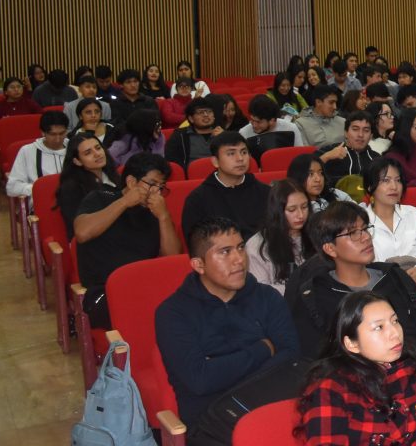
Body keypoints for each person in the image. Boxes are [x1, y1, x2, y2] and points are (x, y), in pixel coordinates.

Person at [155, 218, 301, 444]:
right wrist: (263, 349)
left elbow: (291, 357)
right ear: (199, 265)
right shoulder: (173, 313)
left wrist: (221, 367)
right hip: (211, 424)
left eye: (240, 248)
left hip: (272, 410)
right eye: (225, 252)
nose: (239, 259)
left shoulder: (267, 297)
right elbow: (200, 379)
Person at [290, 201, 416, 359]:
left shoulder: (395, 277)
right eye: (353, 233)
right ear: (330, 248)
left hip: (415, 369)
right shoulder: (315, 298)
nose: (365, 237)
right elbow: (315, 361)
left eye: (365, 229)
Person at [299, 291, 416, 446]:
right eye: (379, 327)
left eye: (395, 321)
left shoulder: (415, 372)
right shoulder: (331, 389)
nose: (395, 333)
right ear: (352, 344)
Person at [73, 152, 182, 328]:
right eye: (152, 184)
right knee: (148, 313)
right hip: (104, 291)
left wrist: (163, 216)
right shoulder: (100, 198)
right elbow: (82, 233)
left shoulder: (154, 212)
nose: (157, 192)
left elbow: (172, 257)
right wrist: (124, 202)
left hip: (144, 286)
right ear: (131, 182)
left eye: (161, 187)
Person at [361, 159, 416, 283]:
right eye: (386, 180)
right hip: (383, 285)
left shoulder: (413, 214)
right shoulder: (361, 223)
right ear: (370, 186)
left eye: (398, 180)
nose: (394, 187)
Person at [181, 131, 271, 241]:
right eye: (231, 154)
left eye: (244, 152)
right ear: (215, 161)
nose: (240, 158)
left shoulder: (266, 192)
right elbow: (197, 243)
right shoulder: (198, 199)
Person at [245, 180, 313, 296]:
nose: (300, 215)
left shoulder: (316, 233)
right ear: (277, 211)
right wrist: (301, 289)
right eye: (292, 210)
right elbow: (260, 290)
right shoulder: (257, 245)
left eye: (304, 207)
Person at [56, 133, 122, 237]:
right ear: (77, 161)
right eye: (88, 153)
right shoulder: (71, 188)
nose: (97, 154)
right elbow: (79, 229)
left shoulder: (115, 177)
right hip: (96, 239)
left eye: (98, 148)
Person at [6, 109, 69, 199]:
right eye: (53, 134)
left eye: (62, 133)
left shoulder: (76, 147)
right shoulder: (27, 151)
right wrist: (40, 188)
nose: (58, 139)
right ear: (43, 132)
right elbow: (12, 187)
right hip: (42, 200)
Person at [317, 112, 383, 182]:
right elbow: (309, 169)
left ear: (371, 136)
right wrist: (327, 157)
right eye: (355, 129)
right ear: (346, 133)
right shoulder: (330, 151)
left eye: (366, 130)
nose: (360, 135)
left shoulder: (377, 159)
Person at [241, 95, 307, 161]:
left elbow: (300, 156)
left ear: (272, 121)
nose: (254, 125)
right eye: (252, 120)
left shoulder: (290, 128)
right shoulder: (244, 133)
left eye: (259, 122)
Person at [166, 96, 224, 166]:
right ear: (191, 119)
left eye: (209, 111)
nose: (206, 115)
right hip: (191, 172)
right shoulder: (180, 135)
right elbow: (172, 161)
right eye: (200, 112)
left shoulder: (223, 134)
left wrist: (225, 138)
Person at [289, 152, 353, 213]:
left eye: (321, 173)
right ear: (298, 177)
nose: (318, 179)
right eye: (311, 174)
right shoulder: (296, 208)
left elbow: (356, 210)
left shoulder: (335, 194)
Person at [296, 86, 346, 150]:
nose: (335, 107)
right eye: (331, 102)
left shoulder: (343, 122)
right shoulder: (301, 124)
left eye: (335, 103)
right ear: (318, 102)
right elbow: (303, 153)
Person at [109, 68, 159, 133]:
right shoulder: (116, 103)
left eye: (135, 81)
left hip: (147, 135)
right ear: (121, 85)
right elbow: (118, 125)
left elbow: (156, 120)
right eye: (128, 82)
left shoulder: (149, 101)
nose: (133, 85)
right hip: (125, 136)